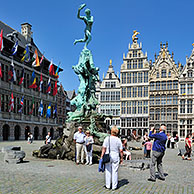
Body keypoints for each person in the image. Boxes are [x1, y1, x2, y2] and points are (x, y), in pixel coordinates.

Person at [101, 126, 123, 190]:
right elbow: (121, 150)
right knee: (115, 171)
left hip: (108, 155)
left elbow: (104, 148)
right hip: (115, 156)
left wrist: (102, 156)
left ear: (111, 131)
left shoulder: (107, 138)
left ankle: (108, 185)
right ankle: (114, 186)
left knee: (108, 171)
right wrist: (121, 158)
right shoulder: (118, 140)